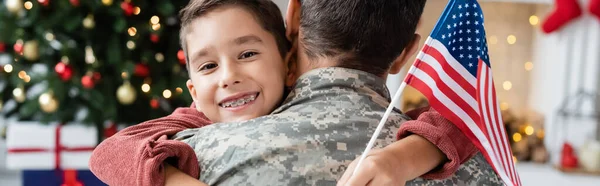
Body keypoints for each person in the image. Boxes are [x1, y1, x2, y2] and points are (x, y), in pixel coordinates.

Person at [89, 0, 502, 185]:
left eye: (247, 53)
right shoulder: (479, 165)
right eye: (209, 65)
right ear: (406, 54)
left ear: (291, 27)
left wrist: (406, 154)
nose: (229, 77)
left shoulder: (199, 154)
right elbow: (111, 151)